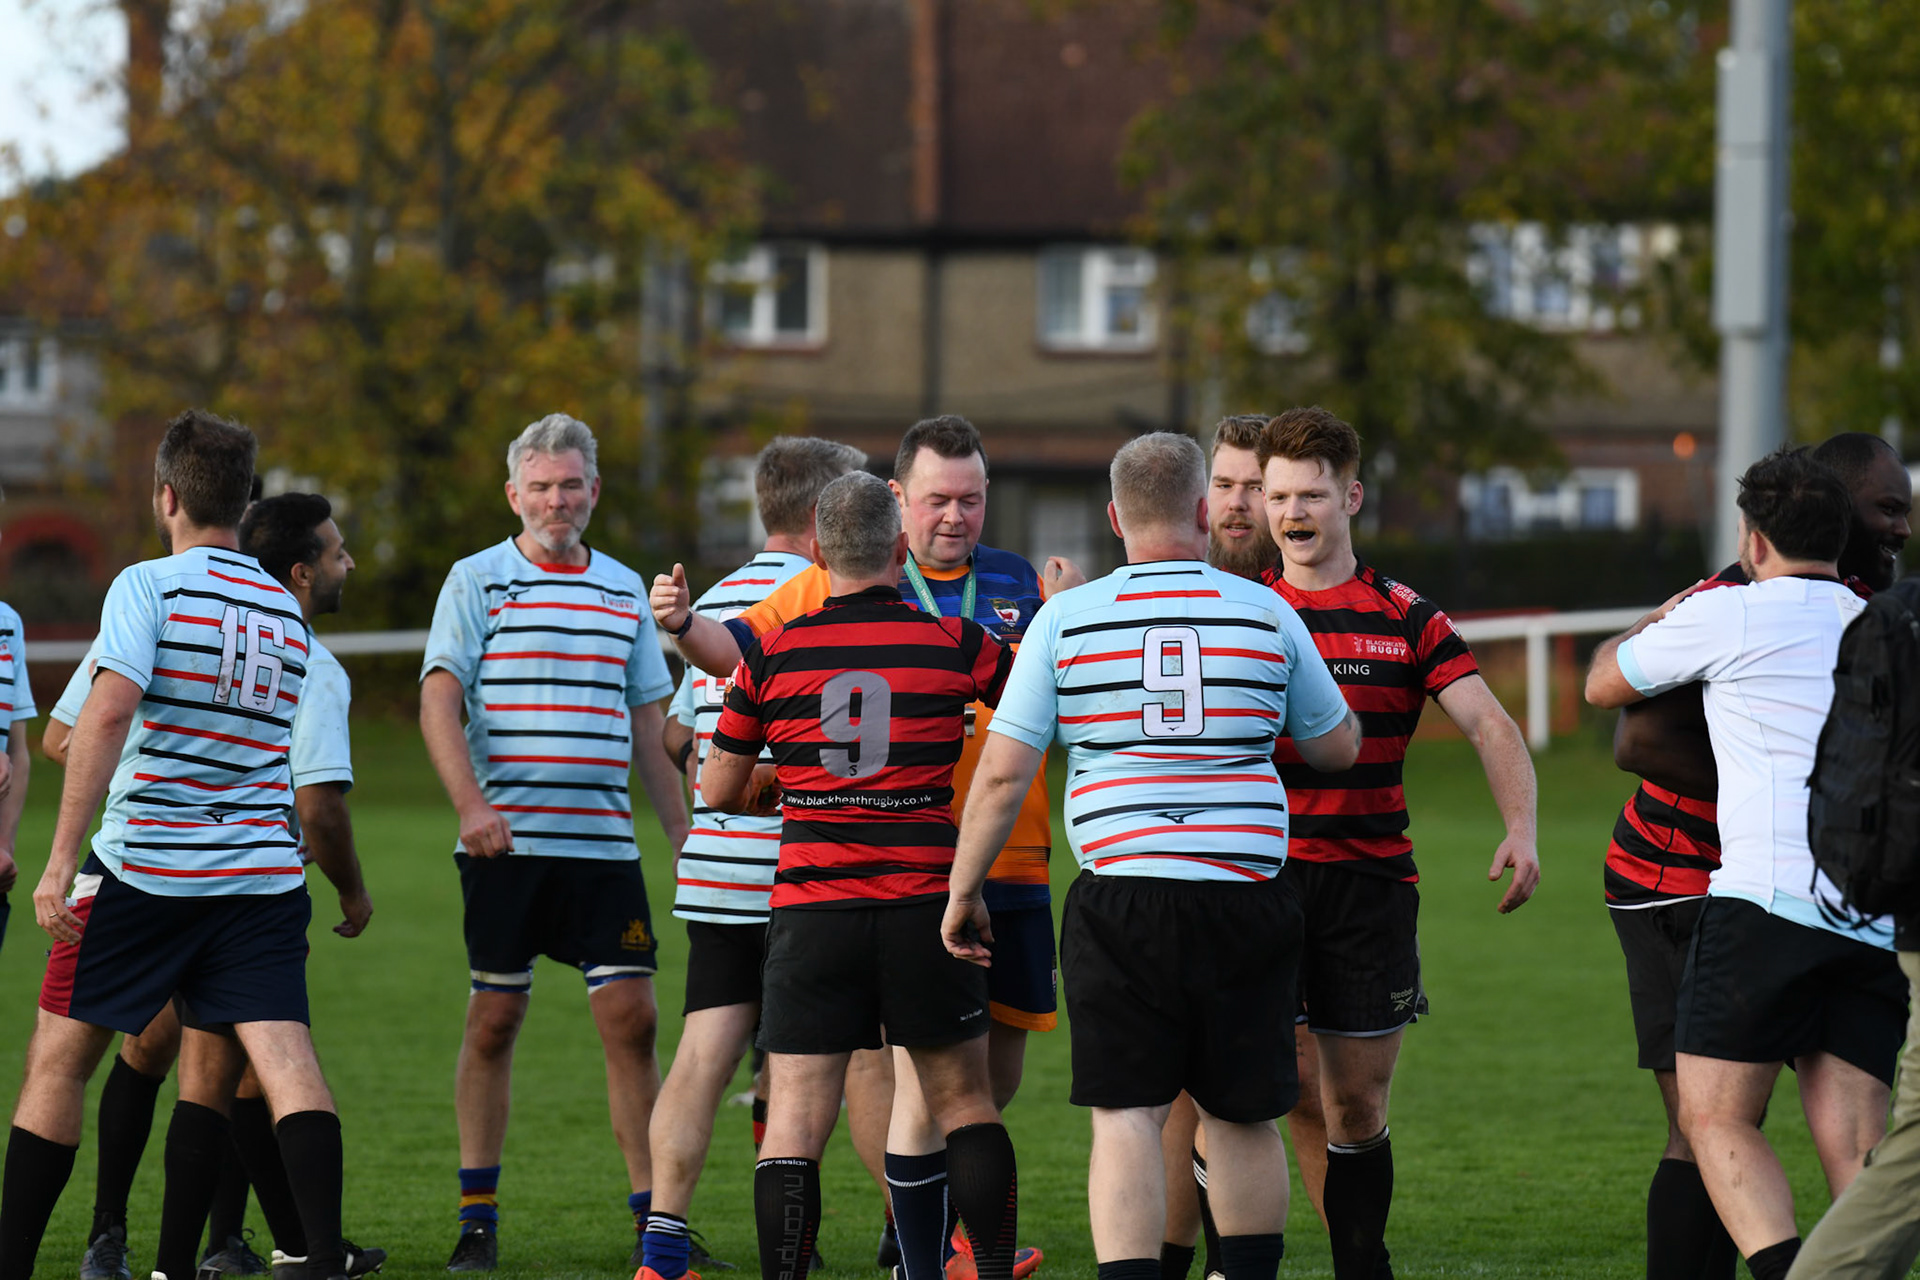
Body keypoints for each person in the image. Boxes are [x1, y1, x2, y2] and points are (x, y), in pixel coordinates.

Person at [653, 416, 1071, 1280]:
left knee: (798, 1115)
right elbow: (1039, 707)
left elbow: (721, 789)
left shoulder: (773, 655)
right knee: (965, 1101)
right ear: (898, 547)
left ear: (817, 548)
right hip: (926, 899)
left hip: (813, 905)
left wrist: (793, 783)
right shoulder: (957, 642)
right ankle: (986, 1267)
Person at [943, 431, 1360, 1280]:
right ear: (1205, 513)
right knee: (1243, 1115)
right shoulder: (1268, 610)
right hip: (1244, 891)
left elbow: (1002, 776)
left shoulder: (1065, 618)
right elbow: (1335, 748)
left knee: (1127, 1117)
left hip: (1121, 896)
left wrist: (961, 891)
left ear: (1113, 519)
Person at [0, 411, 354, 1280]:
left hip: (145, 870)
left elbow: (104, 715)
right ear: (244, 501)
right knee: (287, 1062)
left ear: (166, 496)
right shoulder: (283, 604)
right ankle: (318, 1254)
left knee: (60, 1061)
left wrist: (57, 859)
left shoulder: (148, 587)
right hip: (261, 882)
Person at [1603, 430, 1910, 1280]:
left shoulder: (1867, 614)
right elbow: (1637, 739)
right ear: (1833, 516)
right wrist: (1807, 788)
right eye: (1887, 509)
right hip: (1678, 880)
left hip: (1775, 899)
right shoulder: (1735, 599)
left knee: (1726, 1122)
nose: (1900, 530)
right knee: (1709, 1122)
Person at [1257, 406, 1539, 1280]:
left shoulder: (1406, 614)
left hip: (1371, 883)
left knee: (1358, 1099)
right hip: (1258, 881)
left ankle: (1360, 1261)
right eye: (1277, 495)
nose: (1292, 511)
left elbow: (1490, 725)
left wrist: (1523, 830)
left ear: (1352, 496)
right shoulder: (1244, 610)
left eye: (1310, 494)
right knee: (1272, 1087)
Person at [421, 413, 690, 1272]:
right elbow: (437, 701)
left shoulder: (622, 591)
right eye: (540, 486)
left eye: (571, 484)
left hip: (603, 851)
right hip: (504, 848)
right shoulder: (476, 581)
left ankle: (657, 1224)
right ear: (514, 494)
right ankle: (477, 1215)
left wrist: (685, 836)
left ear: (594, 492)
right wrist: (469, 805)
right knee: (496, 1017)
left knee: (633, 1017)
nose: (556, 500)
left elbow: (651, 729)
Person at [639, 437, 869, 1280]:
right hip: (808, 871)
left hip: (717, 870)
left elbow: (675, 734)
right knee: (860, 1064)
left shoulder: (723, 600)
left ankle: (661, 1243)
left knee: (704, 1054)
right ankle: (917, 1234)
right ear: (824, 515)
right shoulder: (825, 601)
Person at [1164, 412, 1277, 1280]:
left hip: (1297, 878)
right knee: (1173, 1093)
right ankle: (1178, 1256)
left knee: (1289, 1099)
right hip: (1183, 878)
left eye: (1256, 488)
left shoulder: (1301, 598)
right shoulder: (1169, 591)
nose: (1239, 505)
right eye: (1227, 485)